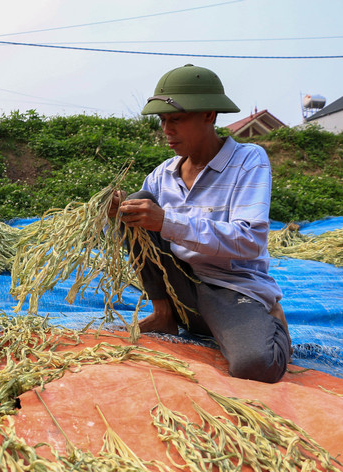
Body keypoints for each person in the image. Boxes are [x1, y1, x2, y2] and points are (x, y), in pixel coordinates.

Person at [108, 64, 291, 383]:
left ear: (209, 115)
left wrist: (166, 221)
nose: (167, 130)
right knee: (138, 202)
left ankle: (267, 316)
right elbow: (143, 238)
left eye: (176, 120)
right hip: (181, 283)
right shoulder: (163, 174)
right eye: (163, 121)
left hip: (230, 287)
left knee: (256, 366)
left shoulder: (248, 161)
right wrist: (114, 214)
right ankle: (164, 313)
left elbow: (249, 241)